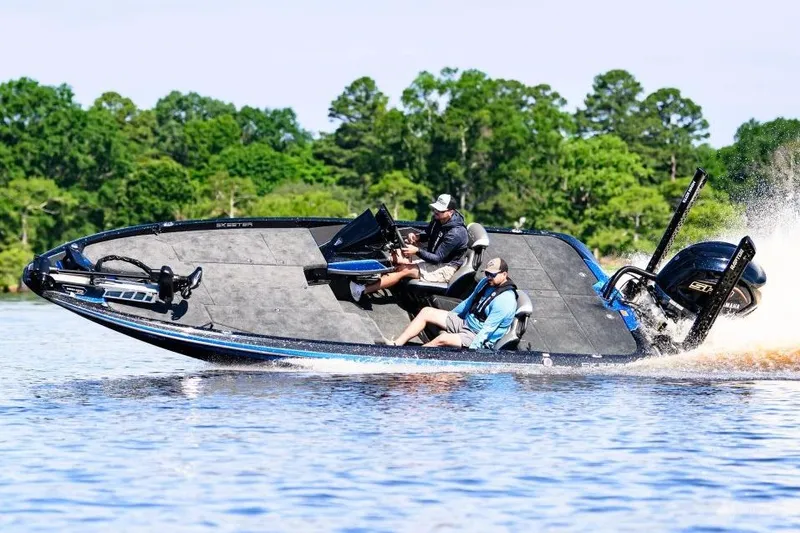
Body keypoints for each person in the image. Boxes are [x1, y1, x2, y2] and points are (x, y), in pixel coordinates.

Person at [349, 193, 468, 302]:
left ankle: (362, 290)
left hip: (445, 266)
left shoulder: (456, 233)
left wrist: (416, 250)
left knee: (403, 269)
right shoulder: (438, 219)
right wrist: (416, 237)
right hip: (432, 255)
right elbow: (428, 234)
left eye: (440, 210)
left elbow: (437, 258)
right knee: (393, 256)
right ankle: (368, 279)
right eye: (435, 209)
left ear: (451, 212)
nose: (436, 212)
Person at [389, 257, 518, 349]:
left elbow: (487, 330)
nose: (489, 277)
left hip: (476, 336)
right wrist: (451, 317)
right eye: (487, 273)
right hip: (466, 322)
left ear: (504, 274)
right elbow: (469, 301)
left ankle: (415, 357)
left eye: (492, 275)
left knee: (442, 339)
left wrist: (473, 351)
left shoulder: (505, 301)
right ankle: (396, 345)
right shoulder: (486, 282)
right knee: (426, 312)